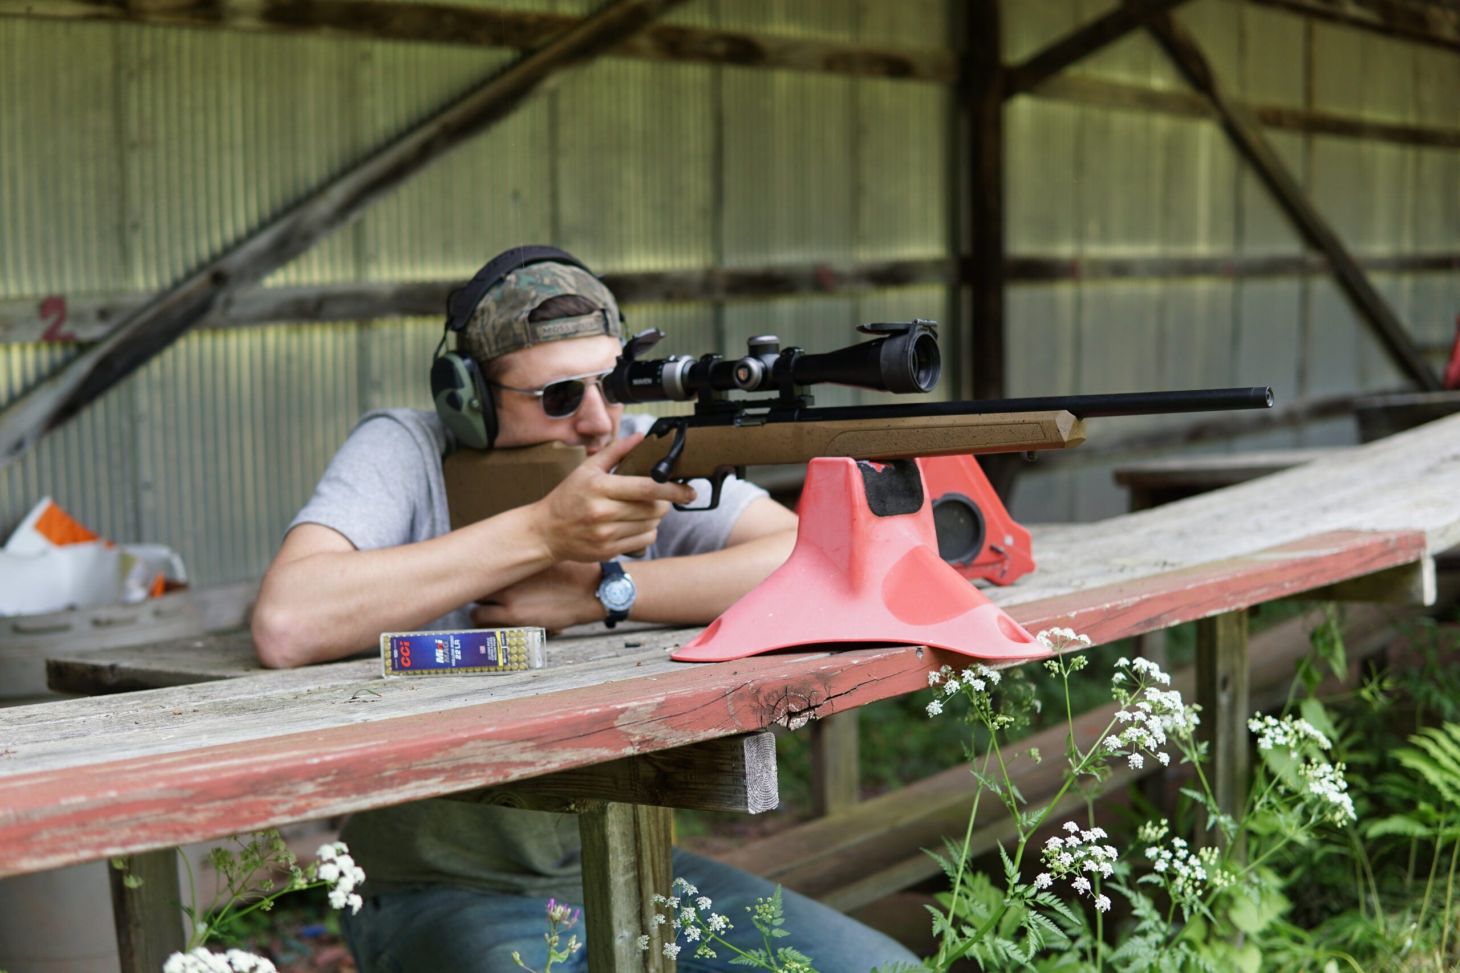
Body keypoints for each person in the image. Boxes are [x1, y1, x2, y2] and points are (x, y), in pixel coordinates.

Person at [251, 246, 920, 972]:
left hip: (631, 866)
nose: (599, 422)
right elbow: (289, 622)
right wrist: (544, 531)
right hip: (442, 889)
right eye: (560, 396)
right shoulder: (406, 449)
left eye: (614, 384)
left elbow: (813, 556)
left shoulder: (638, 449)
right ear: (468, 400)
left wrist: (602, 594)